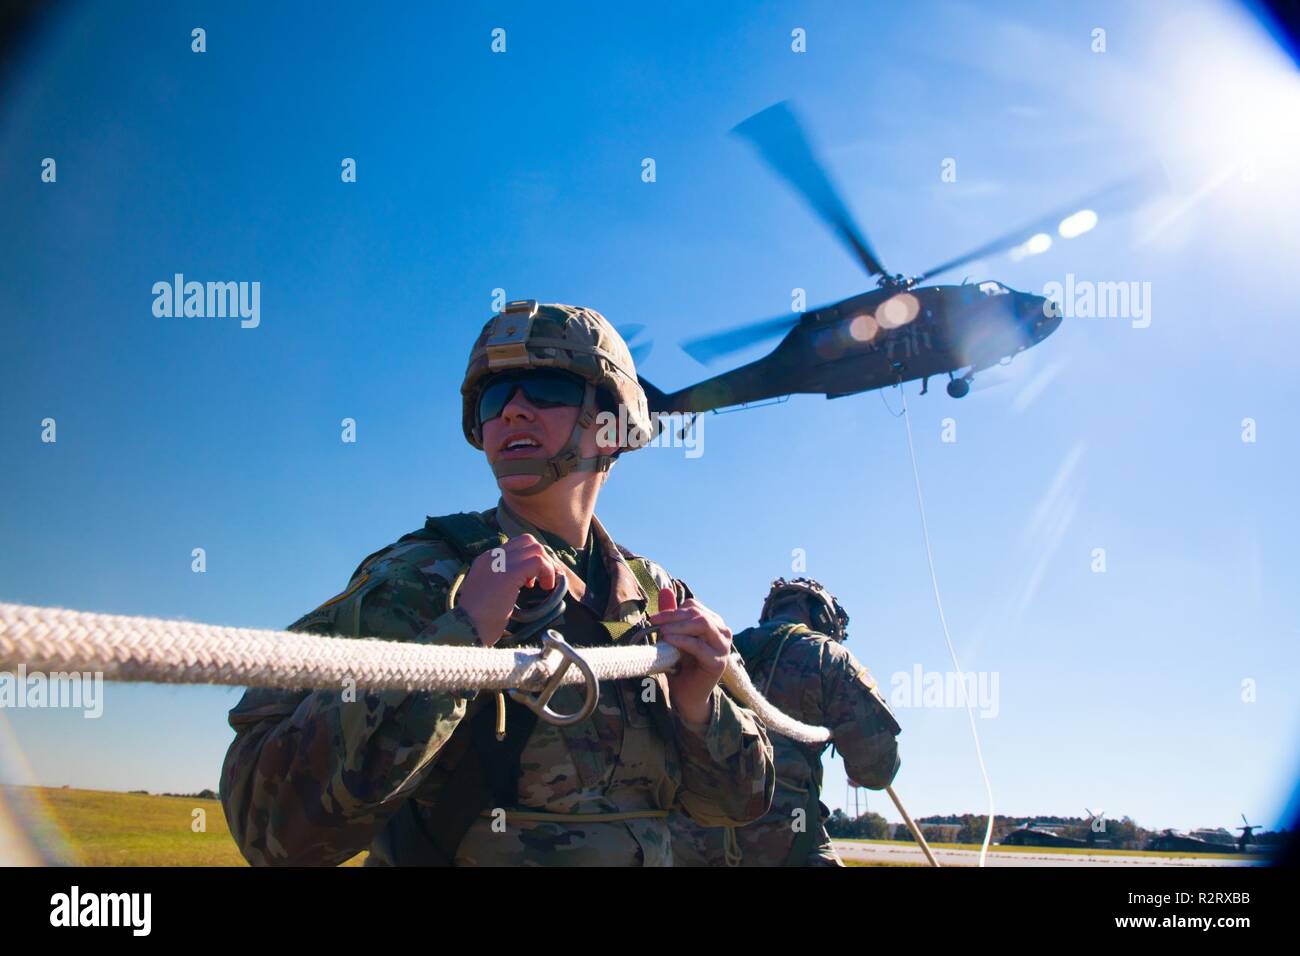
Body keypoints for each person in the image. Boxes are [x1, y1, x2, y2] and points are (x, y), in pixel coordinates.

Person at [219, 299, 774, 866]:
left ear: (610, 425)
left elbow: (739, 804)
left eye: (544, 389)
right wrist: (457, 638)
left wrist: (698, 706)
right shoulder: (424, 576)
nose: (512, 412)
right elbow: (268, 831)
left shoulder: (655, 598)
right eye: (495, 398)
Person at [669, 576, 900, 866]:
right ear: (823, 617)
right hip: (784, 845)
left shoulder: (719, 649)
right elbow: (877, 771)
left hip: (687, 846)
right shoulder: (829, 657)